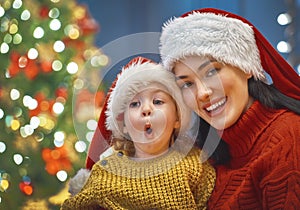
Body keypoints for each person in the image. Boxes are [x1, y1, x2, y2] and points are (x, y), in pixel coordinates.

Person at [159, 8, 300, 209]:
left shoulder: (288, 140)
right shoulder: (203, 154)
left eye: (211, 72)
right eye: (187, 84)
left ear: (246, 67)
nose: (202, 93)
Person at [61, 57, 216, 209]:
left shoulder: (196, 164)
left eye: (157, 101)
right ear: (124, 126)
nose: (146, 109)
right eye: (135, 104)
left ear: (177, 118)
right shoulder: (106, 170)